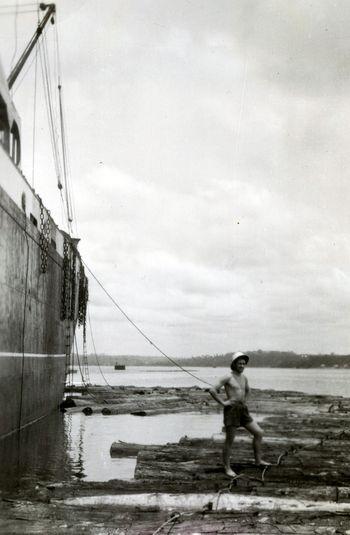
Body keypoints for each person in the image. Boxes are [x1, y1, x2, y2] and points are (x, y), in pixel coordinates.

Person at [209, 351, 269, 477]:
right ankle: (227, 468)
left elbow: (248, 390)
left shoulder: (244, 377)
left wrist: (245, 401)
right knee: (229, 440)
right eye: (239, 363)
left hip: (243, 409)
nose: (242, 365)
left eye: (243, 363)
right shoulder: (227, 377)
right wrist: (223, 403)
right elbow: (212, 390)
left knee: (259, 433)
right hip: (231, 410)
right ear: (234, 364)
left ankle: (258, 461)